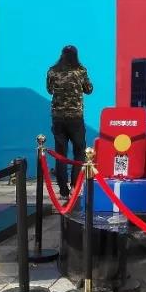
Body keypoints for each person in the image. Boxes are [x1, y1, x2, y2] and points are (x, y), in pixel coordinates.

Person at [46, 45, 93, 198]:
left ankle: (63, 190)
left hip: (58, 118)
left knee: (60, 154)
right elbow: (89, 89)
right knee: (79, 152)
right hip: (75, 118)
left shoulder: (52, 71)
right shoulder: (80, 71)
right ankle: (74, 186)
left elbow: (49, 90)